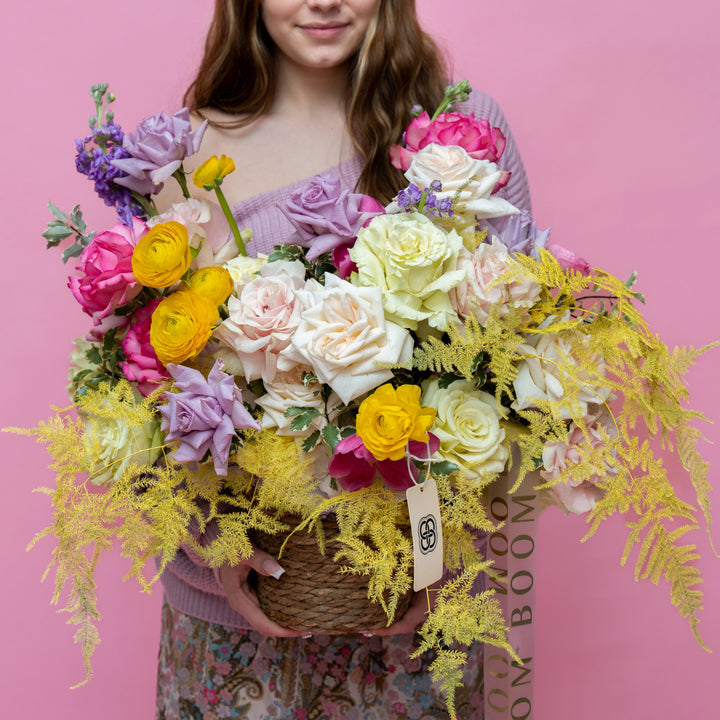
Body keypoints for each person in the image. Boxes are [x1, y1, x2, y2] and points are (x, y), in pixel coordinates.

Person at [155, 1, 531, 718]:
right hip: (233, 617)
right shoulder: (192, 149)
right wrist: (219, 547)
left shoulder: (458, 131)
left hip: (418, 606)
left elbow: (514, 360)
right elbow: (154, 387)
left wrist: (433, 552)